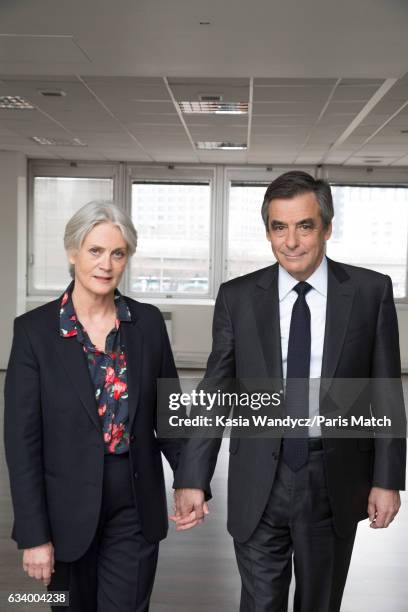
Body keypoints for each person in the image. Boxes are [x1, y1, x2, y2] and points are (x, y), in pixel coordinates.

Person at [172, 171, 406, 612]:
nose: (292, 241)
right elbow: (216, 389)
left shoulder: (370, 291)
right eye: (279, 227)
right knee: (261, 603)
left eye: (305, 225)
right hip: (258, 476)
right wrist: (190, 476)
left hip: (332, 477)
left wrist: (387, 480)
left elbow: (386, 393)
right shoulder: (237, 297)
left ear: (327, 228)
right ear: (267, 232)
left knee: (320, 603)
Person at [4, 201, 183, 611]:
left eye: (117, 253)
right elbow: (21, 444)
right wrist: (34, 535)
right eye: (95, 251)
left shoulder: (147, 323)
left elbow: (170, 414)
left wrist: (191, 480)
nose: (106, 264)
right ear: (73, 252)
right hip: (64, 509)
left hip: (134, 497)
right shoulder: (34, 332)